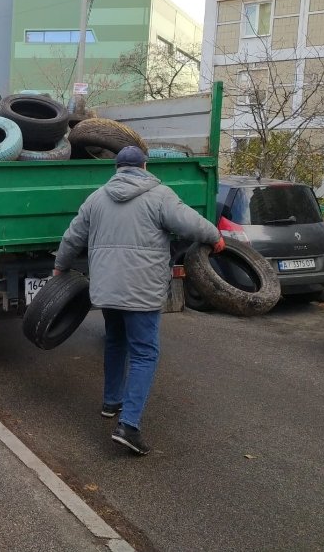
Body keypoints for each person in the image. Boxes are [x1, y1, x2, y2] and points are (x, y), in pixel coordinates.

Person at [53, 145, 224, 456]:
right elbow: (192, 223)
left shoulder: (97, 198)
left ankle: (111, 403)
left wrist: (60, 266)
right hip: (142, 292)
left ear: (117, 168)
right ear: (145, 166)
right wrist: (215, 237)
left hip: (107, 290)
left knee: (116, 342)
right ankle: (129, 426)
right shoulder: (160, 195)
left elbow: (72, 236)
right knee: (144, 354)